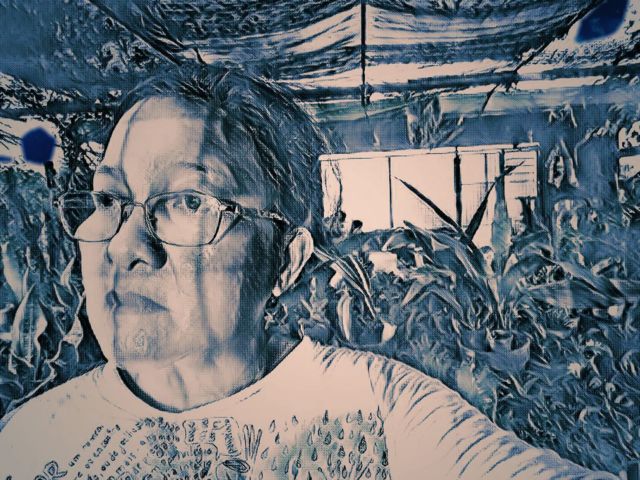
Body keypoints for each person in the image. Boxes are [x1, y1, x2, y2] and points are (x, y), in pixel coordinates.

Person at [0, 63, 618, 480]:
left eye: (188, 201)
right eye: (109, 199)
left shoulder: (380, 413)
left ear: (286, 259)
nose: (125, 245)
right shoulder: (29, 443)